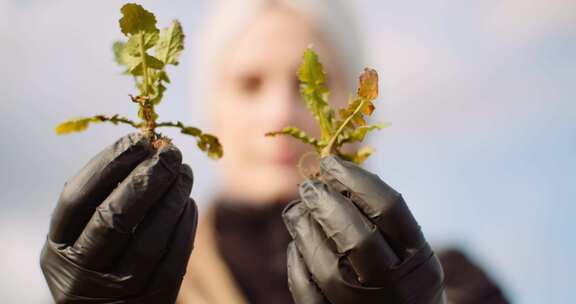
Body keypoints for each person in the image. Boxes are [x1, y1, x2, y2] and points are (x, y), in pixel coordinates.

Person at [40, 1, 510, 303]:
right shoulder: (143, 279)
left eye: (314, 84)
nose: (281, 112)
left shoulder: (456, 286)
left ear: (358, 108)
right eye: (249, 84)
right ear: (212, 109)